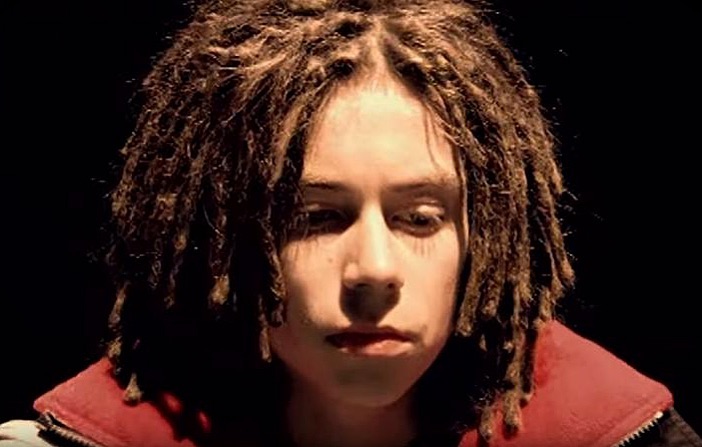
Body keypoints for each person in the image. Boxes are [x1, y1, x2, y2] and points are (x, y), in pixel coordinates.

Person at [1, 0, 700, 446]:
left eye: (420, 218)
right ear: (224, 237)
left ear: (485, 238)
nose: (374, 270)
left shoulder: (613, 433)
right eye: (316, 217)